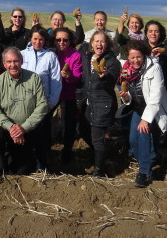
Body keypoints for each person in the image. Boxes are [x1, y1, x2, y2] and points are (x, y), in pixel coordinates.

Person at [0, 47, 49, 180]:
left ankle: (15, 162)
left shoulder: (34, 79)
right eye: (9, 62)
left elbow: (42, 106)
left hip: (27, 127)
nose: (13, 65)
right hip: (5, 126)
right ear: (4, 64)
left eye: (16, 61)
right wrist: (11, 127)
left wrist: (23, 128)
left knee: (22, 171)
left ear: (21, 61)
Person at [120, 40, 167, 187]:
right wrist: (126, 97)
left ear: (143, 55)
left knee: (144, 135)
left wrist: (146, 119)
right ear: (128, 58)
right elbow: (132, 94)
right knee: (133, 140)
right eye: (132, 57)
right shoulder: (126, 70)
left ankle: (144, 172)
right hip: (138, 108)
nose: (135, 60)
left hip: (154, 109)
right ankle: (150, 159)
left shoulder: (154, 68)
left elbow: (156, 96)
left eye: (138, 57)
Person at [21, 26, 62, 170]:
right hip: (23, 104)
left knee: (42, 137)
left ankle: (41, 166)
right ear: (30, 39)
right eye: (35, 39)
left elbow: (56, 82)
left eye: (41, 39)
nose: (38, 42)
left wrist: (50, 104)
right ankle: (26, 163)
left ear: (45, 41)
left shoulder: (50, 56)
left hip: (42, 104)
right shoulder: (22, 55)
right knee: (26, 134)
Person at [81, 31, 121, 176]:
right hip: (88, 103)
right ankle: (103, 153)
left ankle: (99, 169)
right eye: (96, 41)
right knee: (84, 130)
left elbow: (111, 81)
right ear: (91, 43)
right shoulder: (88, 57)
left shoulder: (112, 62)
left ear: (107, 44)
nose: (99, 44)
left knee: (97, 139)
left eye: (102, 41)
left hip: (102, 104)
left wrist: (104, 77)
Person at [53, 28, 84, 163]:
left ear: (70, 41)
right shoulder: (51, 52)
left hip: (68, 93)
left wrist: (69, 76)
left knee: (69, 124)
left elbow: (78, 76)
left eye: (65, 40)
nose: (61, 42)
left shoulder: (75, 55)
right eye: (58, 39)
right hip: (52, 92)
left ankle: (67, 151)